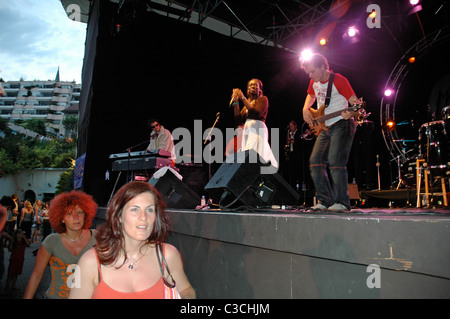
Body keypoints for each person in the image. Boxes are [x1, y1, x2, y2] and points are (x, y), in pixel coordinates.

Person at [69, 181, 196, 299]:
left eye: (150, 210)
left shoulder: (167, 255)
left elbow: (186, 290)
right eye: (135, 209)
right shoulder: (90, 262)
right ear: (119, 216)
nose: (143, 217)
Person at [301, 53, 361, 211]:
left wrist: (352, 112)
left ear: (322, 66)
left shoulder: (339, 80)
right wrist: (305, 108)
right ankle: (324, 201)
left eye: (312, 71)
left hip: (342, 123)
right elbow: (311, 95)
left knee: (335, 161)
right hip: (325, 126)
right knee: (315, 162)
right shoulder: (313, 82)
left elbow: (356, 104)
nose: (310, 75)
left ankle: (342, 202)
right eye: (308, 73)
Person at [24, 190, 98, 299]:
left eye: (80, 212)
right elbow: (36, 276)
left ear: (86, 214)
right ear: (61, 218)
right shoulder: (51, 242)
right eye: (69, 213)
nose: (76, 217)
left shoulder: (98, 238)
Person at [231, 78, 278, 168]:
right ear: (247, 89)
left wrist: (242, 98)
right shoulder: (246, 106)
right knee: (249, 153)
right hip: (248, 131)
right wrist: (236, 102)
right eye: (251, 85)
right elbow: (238, 119)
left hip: (257, 129)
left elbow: (256, 112)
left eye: (256, 85)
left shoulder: (263, 99)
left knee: (256, 153)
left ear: (260, 89)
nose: (253, 86)